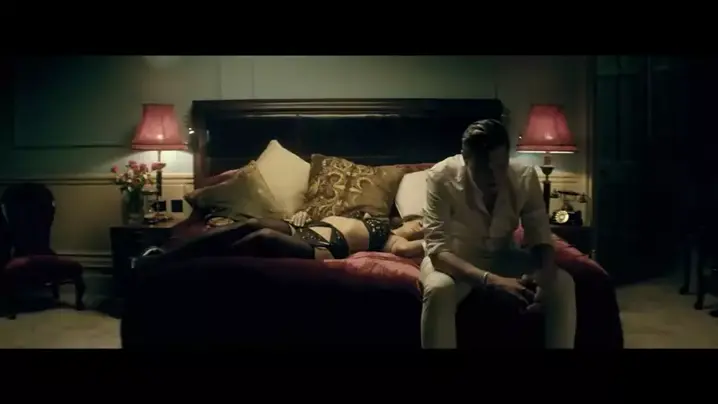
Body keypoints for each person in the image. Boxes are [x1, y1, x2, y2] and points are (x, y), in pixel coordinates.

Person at [420, 119, 577, 349]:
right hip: (454, 260)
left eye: (500, 166)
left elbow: (540, 235)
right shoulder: (440, 177)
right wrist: (492, 281)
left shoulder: (524, 177)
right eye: (484, 168)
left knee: (563, 283)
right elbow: (437, 252)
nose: (494, 176)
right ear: (466, 159)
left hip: (502, 255)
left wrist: (543, 273)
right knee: (439, 289)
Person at [138, 211, 425, 267]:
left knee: (262, 237)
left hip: (324, 247)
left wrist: (435, 235)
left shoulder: (394, 241)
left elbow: (414, 248)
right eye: (420, 222)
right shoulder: (380, 218)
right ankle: (166, 254)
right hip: (308, 226)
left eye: (425, 227)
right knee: (250, 223)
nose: (420, 227)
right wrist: (303, 214)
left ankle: (179, 264)